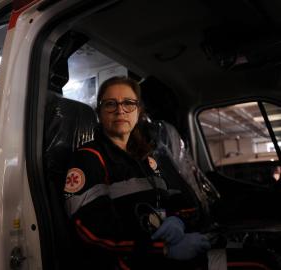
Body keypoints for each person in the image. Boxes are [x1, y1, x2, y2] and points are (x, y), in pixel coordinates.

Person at [63, 76, 210, 269]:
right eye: (110, 104)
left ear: (138, 111)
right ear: (99, 112)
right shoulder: (89, 158)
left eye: (128, 103)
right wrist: (161, 249)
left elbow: (184, 201)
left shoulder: (149, 157)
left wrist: (178, 220)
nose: (120, 110)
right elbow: (90, 231)